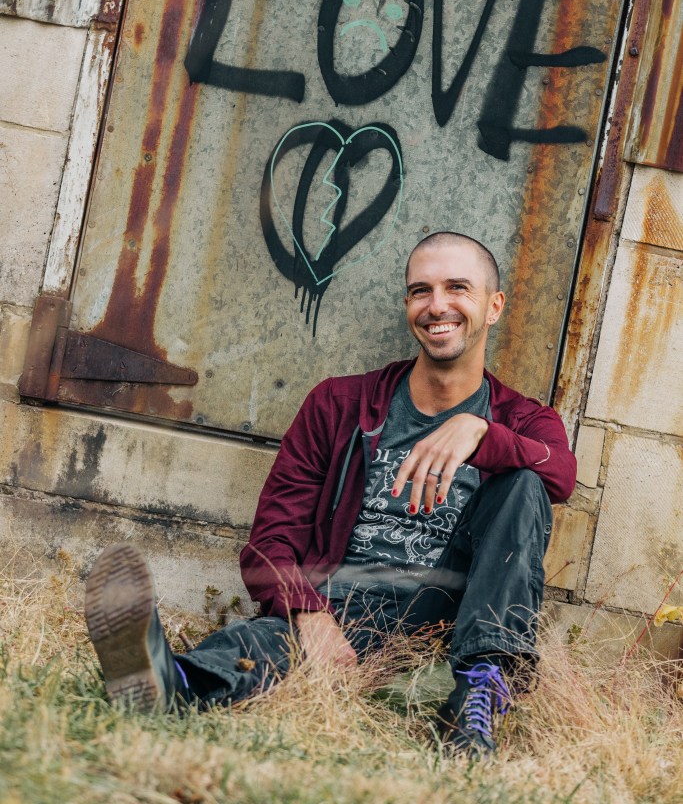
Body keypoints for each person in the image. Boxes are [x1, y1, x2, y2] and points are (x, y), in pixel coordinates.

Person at [85, 232, 576, 754]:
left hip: (435, 631)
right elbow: (271, 538)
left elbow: (560, 475)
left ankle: (478, 694)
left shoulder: (524, 420)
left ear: (493, 305)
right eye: (420, 291)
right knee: (265, 645)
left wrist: (483, 434)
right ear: (408, 304)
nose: (437, 306)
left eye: (458, 288)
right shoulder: (340, 404)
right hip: (337, 609)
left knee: (525, 481)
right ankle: (167, 680)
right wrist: (308, 614)